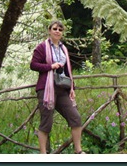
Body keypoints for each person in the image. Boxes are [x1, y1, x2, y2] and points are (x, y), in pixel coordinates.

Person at [30, 20, 86, 154]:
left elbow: (68, 70)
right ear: (49, 30)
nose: (57, 31)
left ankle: (78, 151)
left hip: (62, 89)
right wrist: (50, 66)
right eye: (55, 29)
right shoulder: (42, 47)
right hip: (46, 89)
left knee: (75, 118)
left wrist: (72, 88)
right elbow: (33, 65)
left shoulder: (63, 48)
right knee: (46, 123)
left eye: (60, 30)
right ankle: (43, 154)